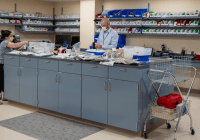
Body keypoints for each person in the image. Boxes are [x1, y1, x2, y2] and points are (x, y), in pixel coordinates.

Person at [0, 30, 28, 105]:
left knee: (4, 81)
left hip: (6, 64)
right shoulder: (4, 42)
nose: (12, 36)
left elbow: (11, 50)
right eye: (11, 35)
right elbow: (14, 45)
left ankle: (4, 96)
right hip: (2, 64)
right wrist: (24, 42)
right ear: (7, 36)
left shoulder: (7, 43)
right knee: (1, 81)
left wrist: (19, 49)